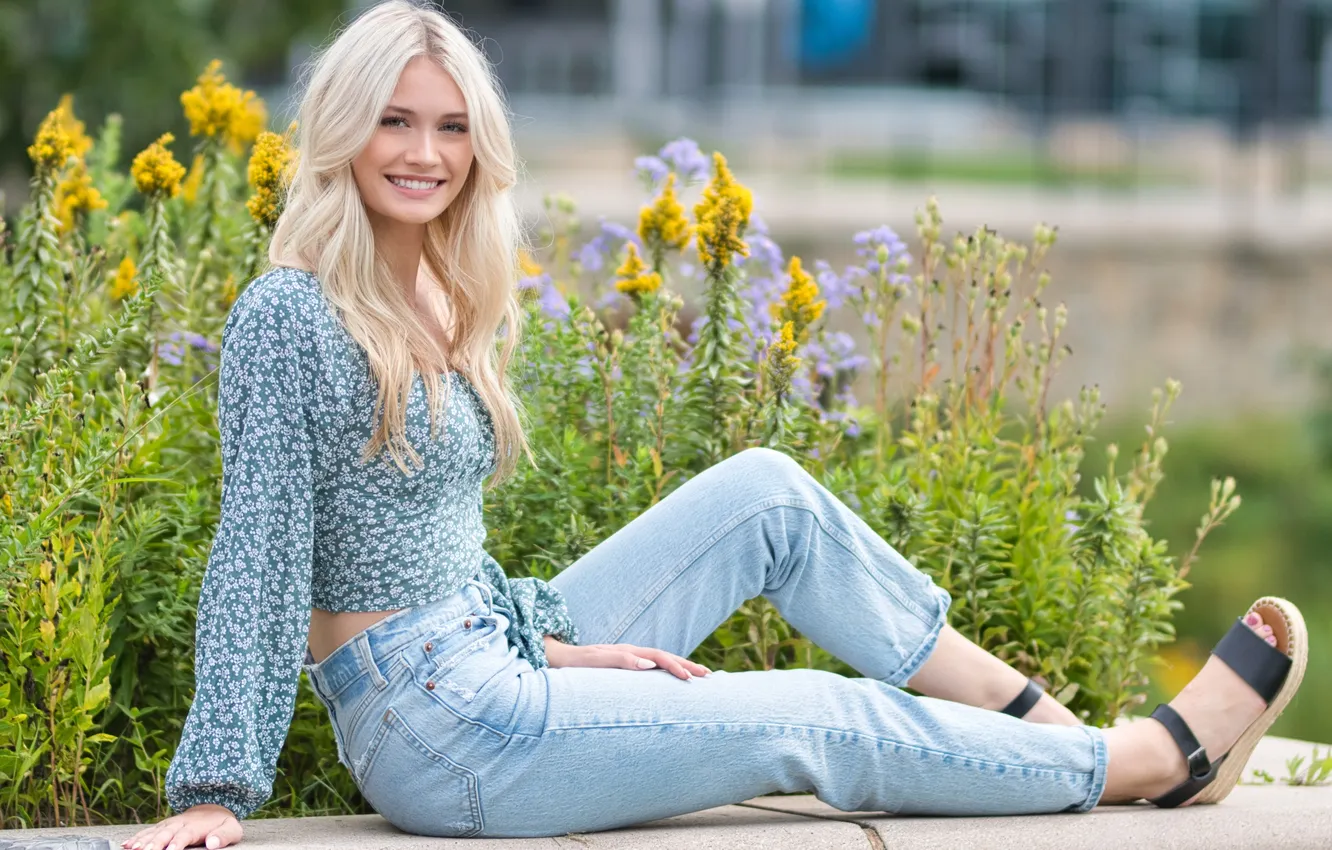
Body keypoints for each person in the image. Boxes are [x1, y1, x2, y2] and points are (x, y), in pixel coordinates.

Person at [121, 2, 1309, 848]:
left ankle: (1048, 736)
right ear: (340, 132)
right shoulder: (292, 313)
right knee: (811, 716)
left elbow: (427, 538)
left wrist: (558, 642)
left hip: (493, 648)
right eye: (393, 122)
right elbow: (259, 551)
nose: (425, 153)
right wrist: (218, 785)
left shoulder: (440, 286)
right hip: (440, 729)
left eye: (450, 126)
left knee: (768, 493)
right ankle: (1146, 763)